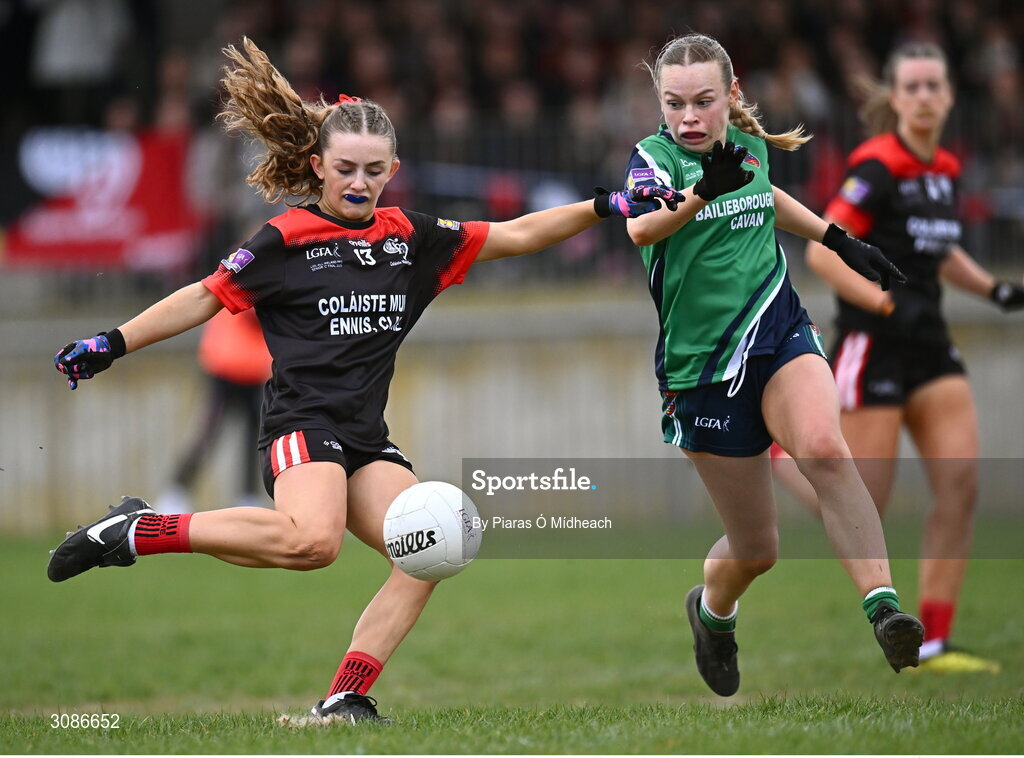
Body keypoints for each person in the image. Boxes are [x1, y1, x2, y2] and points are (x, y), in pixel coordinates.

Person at [48, 37, 685, 724]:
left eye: (373, 170)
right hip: (300, 423)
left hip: (363, 435)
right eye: (346, 168)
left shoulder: (411, 236)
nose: (358, 182)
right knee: (311, 543)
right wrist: (113, 341)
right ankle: (139, 531)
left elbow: (518, 234)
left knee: (434, 546)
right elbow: (204, 295)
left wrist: (611, 205)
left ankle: (346, 694)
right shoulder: (284, 239)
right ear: (318, 166)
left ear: (393, 170)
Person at [622, 32, 925, 698]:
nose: (690, 117)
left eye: (704, 101)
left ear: (731, 96)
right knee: (757, 549)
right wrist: (702, 191)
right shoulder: (653, 160)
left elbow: (761, 196)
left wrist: (838, 239)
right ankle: (712, 613)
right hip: (701, 371)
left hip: (778, 327)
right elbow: (642, 228)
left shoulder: (746, 149)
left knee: (823, 445)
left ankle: (883, 608)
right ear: (660, 104)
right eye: (675, 104)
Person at [772, 42, 1024, 674]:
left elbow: (942, 249)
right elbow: (824, 253)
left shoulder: (944, 166)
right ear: (894, 95)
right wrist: (887, 308)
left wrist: (993, 288)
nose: (922, 97)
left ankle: (935, 640)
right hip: (875, 344)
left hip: (932, 347)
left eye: (932, 85)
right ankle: (777, 454)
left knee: (960, 485)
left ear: (947, 95)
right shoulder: (876, 165)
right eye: (910, 86)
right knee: (865, 503)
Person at [153, 308, 273, 515]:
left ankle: (248, 498)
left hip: (255, 372)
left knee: (254, 441)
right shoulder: (244, 278)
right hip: (225, 366)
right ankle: (177, 493)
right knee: (206, 436)